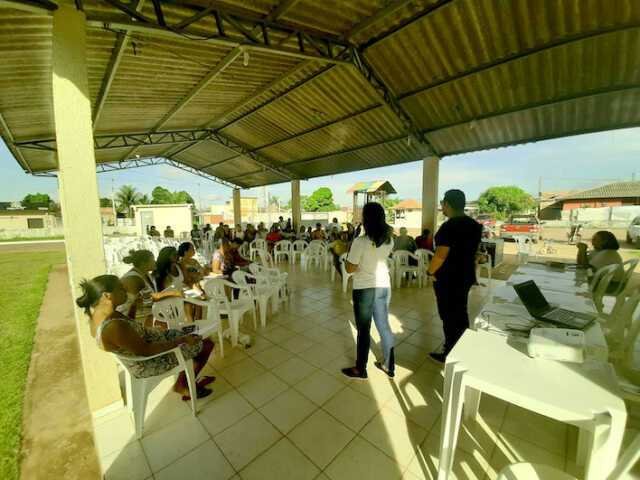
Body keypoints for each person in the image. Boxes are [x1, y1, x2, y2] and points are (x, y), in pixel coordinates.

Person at [76, 275, 214, 400]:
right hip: (149, 361)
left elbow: (129, 330)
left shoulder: (99, 317)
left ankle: (185, 378)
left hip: (149, 345)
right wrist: (182, 341)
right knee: (206, 344)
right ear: (107, 295)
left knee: (192, 333)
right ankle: (182, 385)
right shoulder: (113, 327)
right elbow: (146, 350)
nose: (125, 291)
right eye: (121, 288)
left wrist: (134, 307)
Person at [427, 189, 482, 363]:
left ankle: (450, 352)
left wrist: (430, 271)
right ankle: (462, 349)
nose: (441, 207)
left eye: (442, 203)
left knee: (449, 316)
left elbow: (440, 255)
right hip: (465, 276)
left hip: (448, 279)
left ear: (448, 204)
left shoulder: (449, 227)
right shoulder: (474, 225)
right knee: (461, 313)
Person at [342, 202, 395, 379]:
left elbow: (350, 268)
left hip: (365, 288)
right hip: (384, 285)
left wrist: (348, 259)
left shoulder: (360, 242)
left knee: (364, 330)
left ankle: (360, 369)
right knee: (384, 326)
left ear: (366, 219)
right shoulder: (389, 239)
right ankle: (389, 365)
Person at [118, 249, 182, 323]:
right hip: (125, 318)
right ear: (143, 263)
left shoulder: (146, 274)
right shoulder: (134, 278)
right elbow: (149, 299)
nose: (155, 262)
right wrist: (173, 293)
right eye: (152, 260)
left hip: (139, 315)